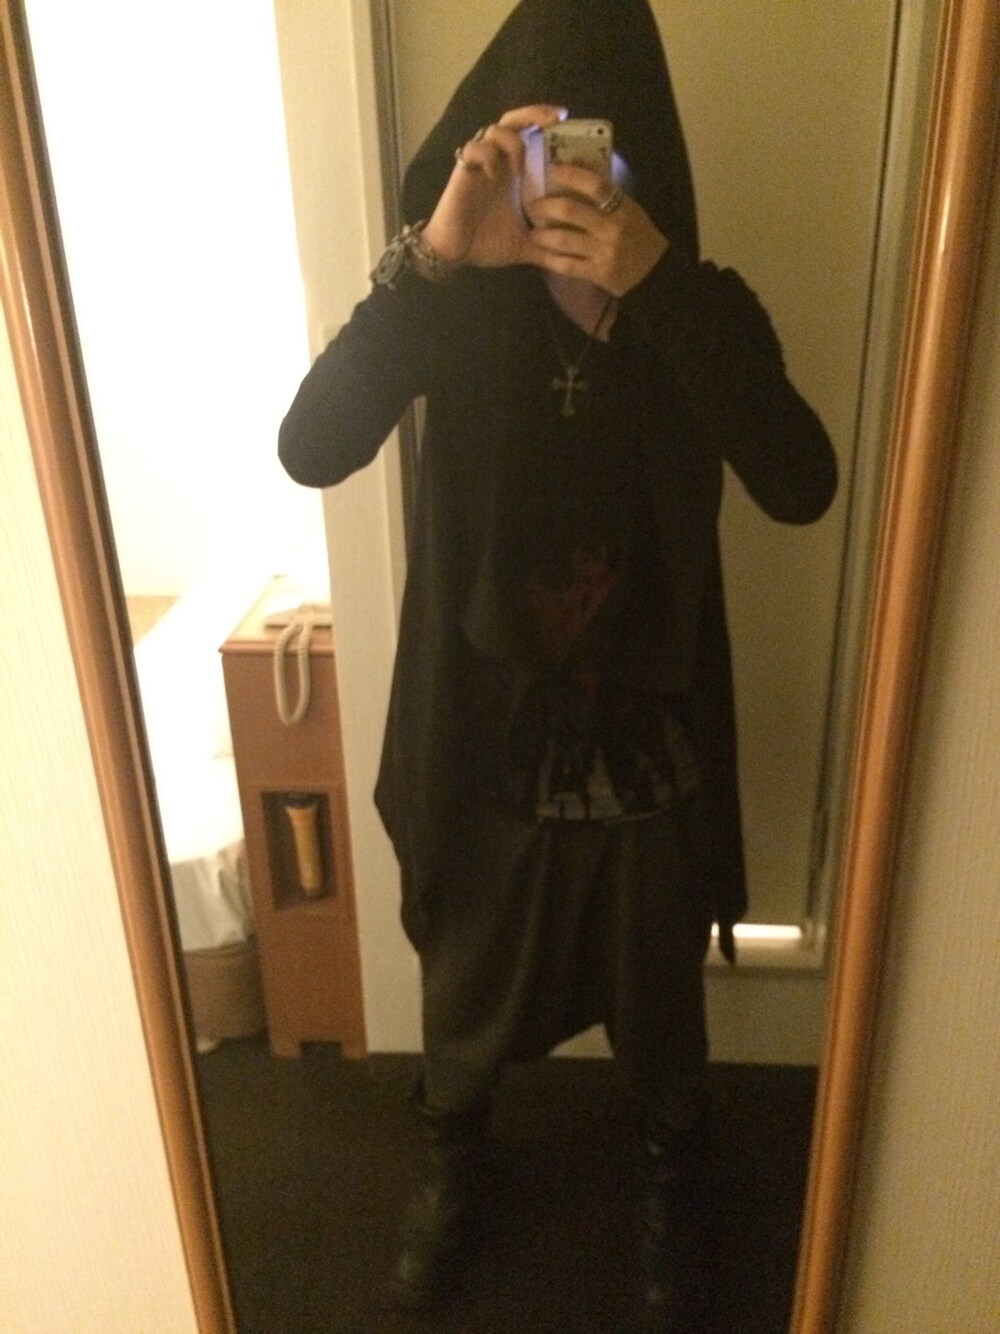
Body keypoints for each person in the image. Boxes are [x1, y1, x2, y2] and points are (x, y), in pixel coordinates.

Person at [279, 1, 836, 1328]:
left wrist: (661, 286)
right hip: (485, 728)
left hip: (646, 732)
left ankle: (672, 1172)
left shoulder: (697, 305)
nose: (566, 180)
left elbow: (801, 483)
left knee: (658, 993)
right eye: (537, 150)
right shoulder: (456, 307)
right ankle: (455, 1159)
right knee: (468, 977)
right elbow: (311, 447)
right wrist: (432, 257)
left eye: (594, 152)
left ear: (641, 166)